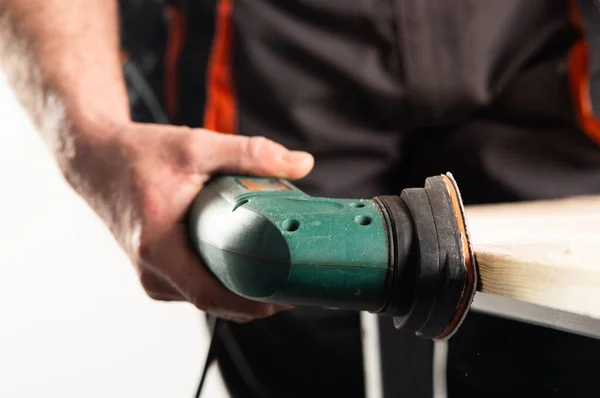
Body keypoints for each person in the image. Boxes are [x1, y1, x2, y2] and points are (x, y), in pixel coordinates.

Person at [2, 1, 600, 397]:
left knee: (565, 347)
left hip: (536, 39)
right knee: (302, 316)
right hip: (264, 48)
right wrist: (95, 140)